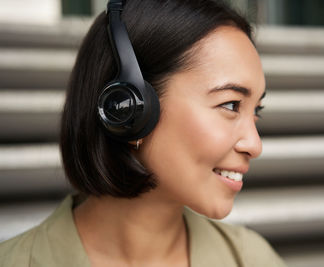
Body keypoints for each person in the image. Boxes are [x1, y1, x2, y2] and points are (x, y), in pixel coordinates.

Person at [0, 0, 286, 266]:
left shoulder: (254, 259)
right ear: (127, 107)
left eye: (255, 111)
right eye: (231, 104)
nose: (255, 145)